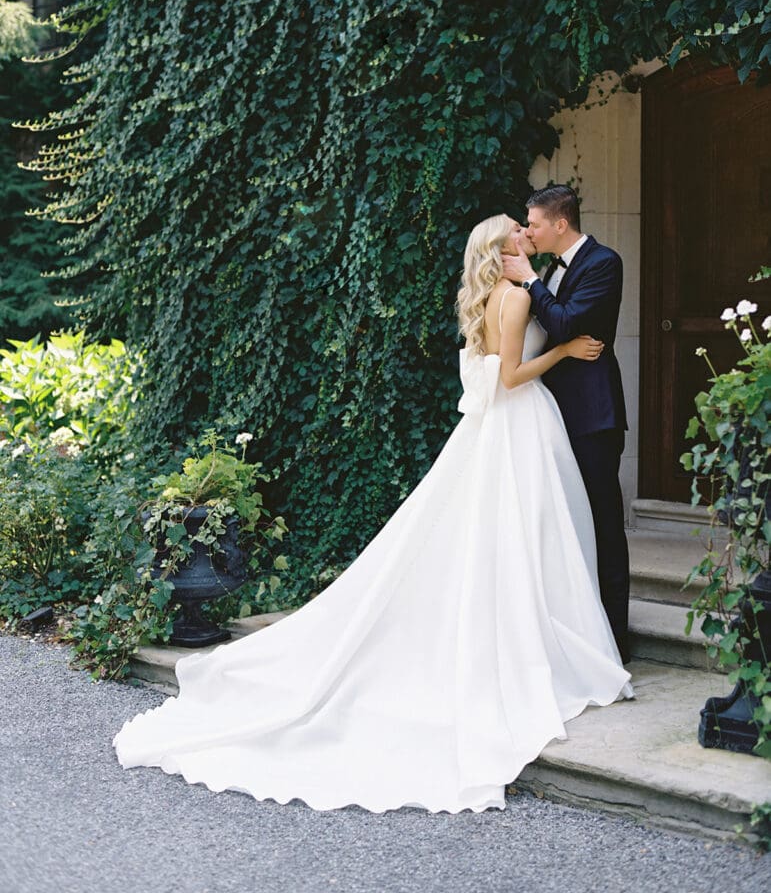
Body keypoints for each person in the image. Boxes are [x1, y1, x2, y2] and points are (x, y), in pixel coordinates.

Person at [113, 214, 633, 815]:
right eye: (518, 230)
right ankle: (536, 641)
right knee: (524, 534)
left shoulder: (500, 293)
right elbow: (511, 377)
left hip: (512, 428)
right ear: (503, 247)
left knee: (522, 536)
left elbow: (487, 371)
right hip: (520, 422)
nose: (526, 233)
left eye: (528, 226)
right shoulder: (514, 298)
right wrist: (564, 348)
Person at [501, 185, 630, 663]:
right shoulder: (544, 270)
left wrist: (532, 283)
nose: (528, 230)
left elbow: (564, 324)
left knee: (602, 523)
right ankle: (574, 632)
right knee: (563, 523)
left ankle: (615, 639)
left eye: (533, 223)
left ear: (560, 223)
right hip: (546, 415)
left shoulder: (603, 262)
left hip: (592, 415)